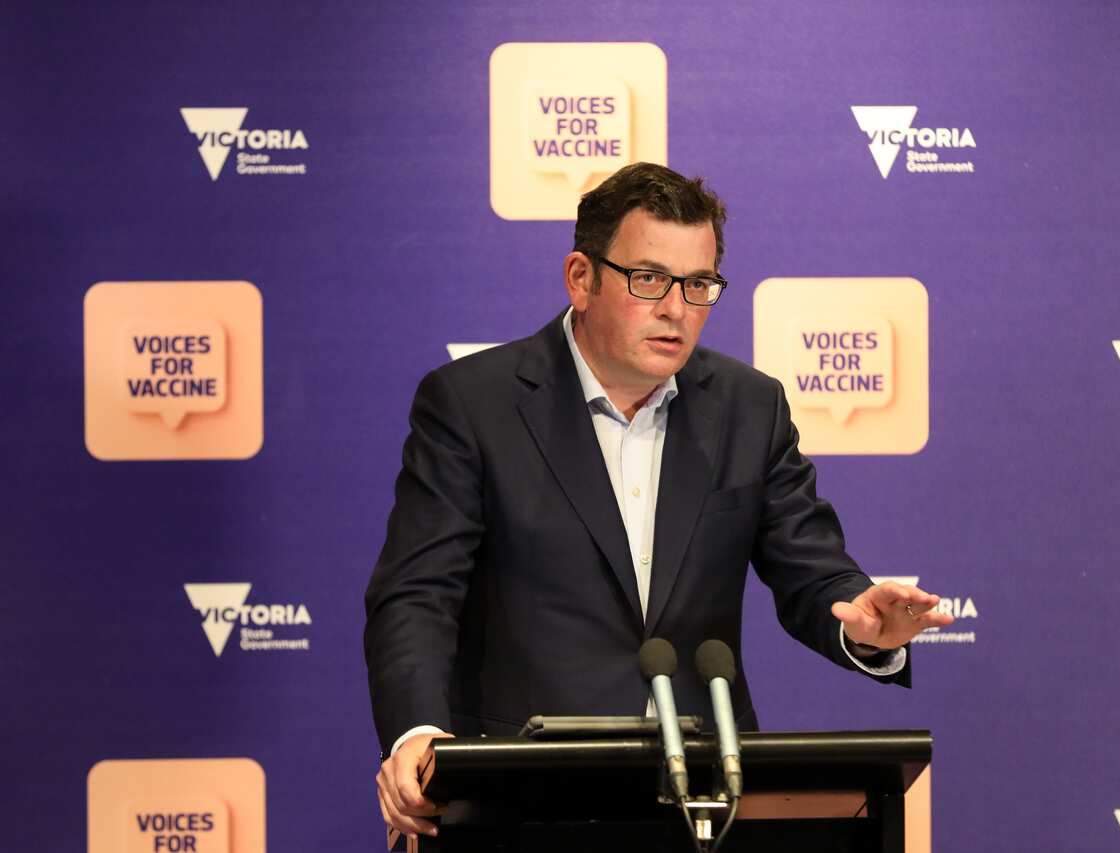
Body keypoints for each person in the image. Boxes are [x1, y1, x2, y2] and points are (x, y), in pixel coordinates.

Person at [365, 162, 953, 838]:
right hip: (521, 795)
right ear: (581, 278)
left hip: (705, 793)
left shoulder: (748, 407)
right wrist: (416, 729)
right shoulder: (473, 404)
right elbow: (416, 592)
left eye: (699, 284)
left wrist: (862, 625)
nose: (677, 308)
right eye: (649, 279)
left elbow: (812, 567)